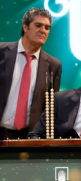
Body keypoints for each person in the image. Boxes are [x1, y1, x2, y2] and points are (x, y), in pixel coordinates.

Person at [0, 8, 62, 140]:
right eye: (38, 25)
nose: (43, 31)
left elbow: (50, 107)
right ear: (25, 26)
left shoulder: (53, 65)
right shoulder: (1, 52)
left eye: (47, 27)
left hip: (29, 138)